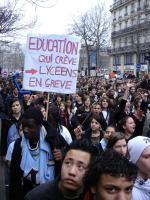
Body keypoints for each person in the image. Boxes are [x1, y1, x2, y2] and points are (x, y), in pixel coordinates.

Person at [25, 139, 99, 200]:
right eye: (68, 163)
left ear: (90, 171)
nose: (71, 172)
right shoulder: (36, 197)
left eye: (80, 167)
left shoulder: (95, 195)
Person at [9, 107, 56, 200]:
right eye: (24, 126)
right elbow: (14, 177)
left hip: (50, 194)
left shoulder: (53, 141)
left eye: (30, 126)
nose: (25, 130)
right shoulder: (19, 145)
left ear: (39, 126)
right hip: (27, 193)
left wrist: (63, 155)